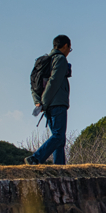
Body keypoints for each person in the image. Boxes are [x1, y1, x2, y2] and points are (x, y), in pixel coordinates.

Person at [26, 35, 72, 165]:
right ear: (65, 46)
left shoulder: (43, 62)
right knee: (58, 136)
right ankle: (36, 157)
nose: (69, 51)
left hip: (46, 105)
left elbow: (33, 83)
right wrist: (44, 102)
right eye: (70, 48)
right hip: (57, 103)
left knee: (58, 138)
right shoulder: (60, 59)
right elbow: (54, 82)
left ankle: (60, 167)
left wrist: (38, 102)